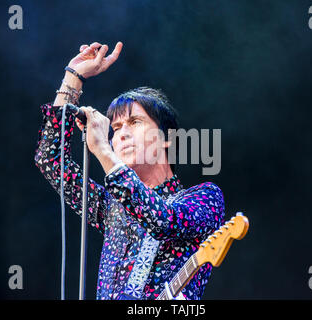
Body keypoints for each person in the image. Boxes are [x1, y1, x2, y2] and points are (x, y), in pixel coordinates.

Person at [34, 41, 225, 300]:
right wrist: (74, 77)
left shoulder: (205, 198)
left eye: (134, 122)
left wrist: (103, 150)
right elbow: (50, 159)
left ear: (166, 138)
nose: (121, 133)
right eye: (116, 127)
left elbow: (162, 220)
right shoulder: (113, 209)